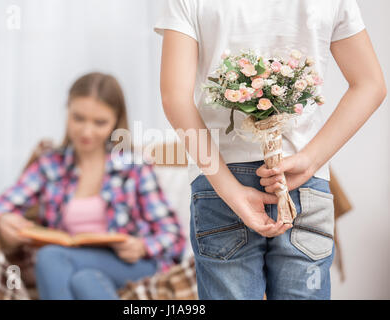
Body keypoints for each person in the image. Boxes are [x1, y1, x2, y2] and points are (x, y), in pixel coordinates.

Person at [154, 0, 386, 299]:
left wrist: (231, 192)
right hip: (302, 181)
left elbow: (175, 98)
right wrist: (309, 160)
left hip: (220, 181)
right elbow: (371, 84)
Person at [0, 72, 186, 299]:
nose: (86, 131)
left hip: (130, 264)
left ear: (116, 120)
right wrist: (1, 219)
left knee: (51, 257)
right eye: (78, 118)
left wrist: (142, 246)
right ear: (67, 111)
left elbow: (173, 236)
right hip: (74, 265)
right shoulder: (50, 165)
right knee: (85, 280)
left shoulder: (133, 166)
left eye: (99, 122)